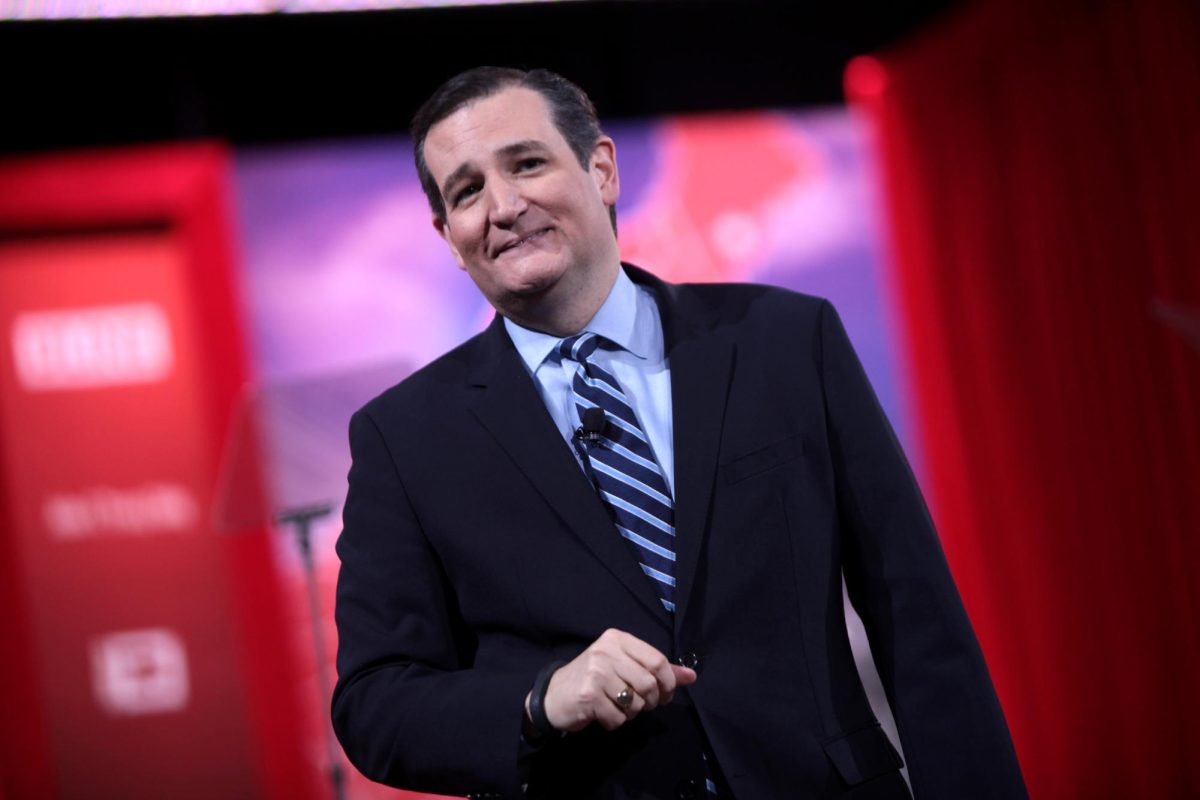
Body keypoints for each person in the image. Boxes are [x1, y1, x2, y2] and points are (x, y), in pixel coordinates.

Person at [331, 66, 1027, 800]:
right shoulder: (405, 438)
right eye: (466, 192)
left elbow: (916, 617)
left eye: (527, 163)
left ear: (600, 169)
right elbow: (376, 705)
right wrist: (539, 701)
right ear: (448, 235)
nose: (502, 207)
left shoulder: (786, 342)